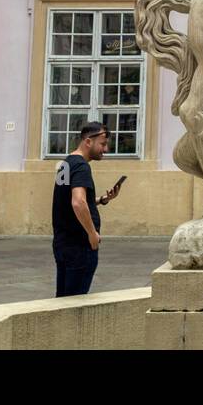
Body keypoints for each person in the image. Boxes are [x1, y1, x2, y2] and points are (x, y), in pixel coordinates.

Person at [51, 122, 121, 297]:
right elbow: (77, 203)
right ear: (88, 141)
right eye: (103, 144)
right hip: (79, 246)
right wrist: (92, 233)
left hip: (63, 244)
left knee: (62, 299)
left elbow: (68, 201)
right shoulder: (82, 166)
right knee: (74, 303)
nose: (105, 149)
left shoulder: (66, 163)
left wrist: (102, 200)